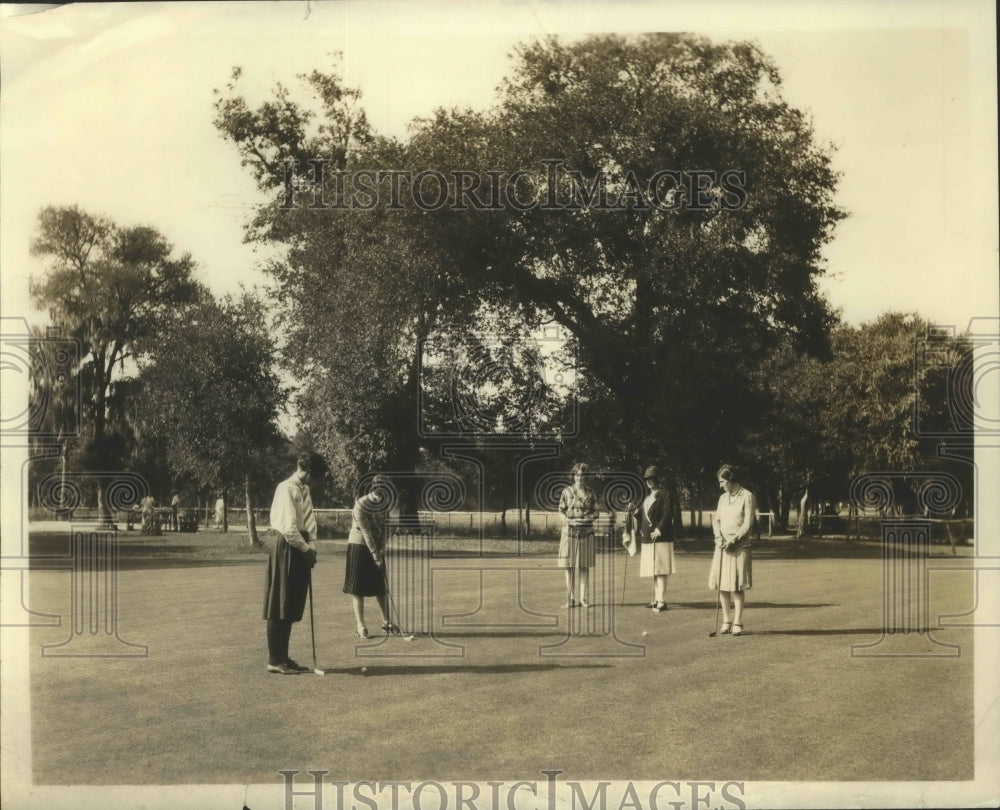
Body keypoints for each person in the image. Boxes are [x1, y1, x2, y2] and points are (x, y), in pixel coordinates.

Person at [262, 452, 327, 674]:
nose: (315, 481)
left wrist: (312, 549)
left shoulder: (304, 490)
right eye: (315, 476)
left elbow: (309, 524)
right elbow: (289, 527)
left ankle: (283, 657)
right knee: (279, 600)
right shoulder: (286, 488)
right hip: (287, 546)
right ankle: (274, 659)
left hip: (300, 547)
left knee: (289, 603)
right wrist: (305, 549)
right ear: (307, 471)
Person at [343, 474, 395, 637]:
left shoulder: (385, 504)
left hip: (376, 548)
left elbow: (386, 528)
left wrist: (381, 549)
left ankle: (387, 623)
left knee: (381, 587)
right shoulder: (361, 504)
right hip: (359, 545)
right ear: (374, 489)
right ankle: (361, 627)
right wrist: (375, 554)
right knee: (358, 589)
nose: (383, 495)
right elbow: (366, 532)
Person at [710, 464, 756, 636]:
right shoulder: (722, 498)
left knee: (736, 586)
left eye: (722, 482)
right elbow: (716, 520)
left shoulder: (747, 496)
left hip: (739, 546)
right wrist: (718, 537)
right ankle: (726, 621)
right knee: (722, 585)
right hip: (722, 546)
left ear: (730, 480)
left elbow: (748, 523)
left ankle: (738, 622)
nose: (720, 485)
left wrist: (734, 539)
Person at [629, 466, 677, 612]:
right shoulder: (648, 497)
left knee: (661, 569)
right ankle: (656, 599)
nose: (649, 481)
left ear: (657, 479)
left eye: (652, 478)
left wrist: (659, 529)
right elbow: (643, 517)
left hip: (661, 537)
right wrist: (635, 511)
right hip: (648, 537)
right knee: (654, 570)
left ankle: (661, 600)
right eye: (647, 479)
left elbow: (668, 514)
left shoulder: (665, 494)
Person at [557, 462, 599, 608]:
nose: (579, 478)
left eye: (582, 475)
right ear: (573, 475)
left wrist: (584, 520)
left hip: (586, 533)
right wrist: (567, 521)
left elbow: (596, 512)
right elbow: (561, 510)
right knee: (568, 566)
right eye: (577, 474)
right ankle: (570, 599)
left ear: (586, 477)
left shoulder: (591, 493)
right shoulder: (566, 492)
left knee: (584, 565)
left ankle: (583, 598)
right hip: (568, 532)